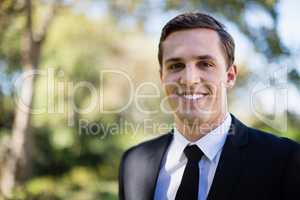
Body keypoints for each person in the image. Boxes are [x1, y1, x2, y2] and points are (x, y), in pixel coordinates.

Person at [118, 12, 300, 200]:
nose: (189, 79)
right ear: (162, 76)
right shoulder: (133, 163)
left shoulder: (285, 161)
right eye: (175, 65)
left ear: (230, 76)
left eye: (205, 64)